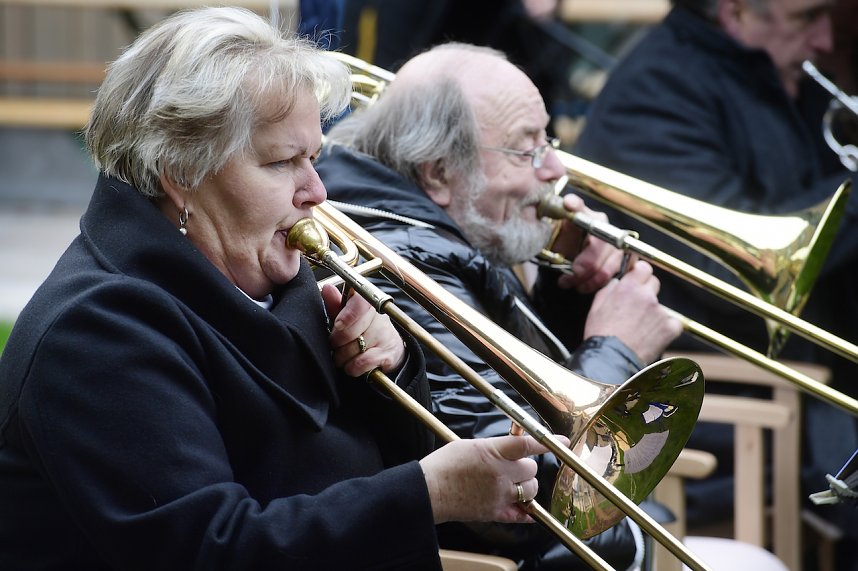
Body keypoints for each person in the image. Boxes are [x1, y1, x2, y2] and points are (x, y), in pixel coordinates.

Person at [0, 8, 567, 570]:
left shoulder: (277, 276)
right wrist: (426, 494)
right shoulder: (97, 333)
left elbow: (365, 469)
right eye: (281, 162)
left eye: (315, 158)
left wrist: (392, 369)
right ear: (183, 173)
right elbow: (208, 549)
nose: (317, 191)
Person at [315, 42, 684, 570]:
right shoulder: (401, 262)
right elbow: (522, 481)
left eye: (547, 139)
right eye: (525, 148)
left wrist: (567, 295)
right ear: (439, 173)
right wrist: (616, 349)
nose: (556, 168)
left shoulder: (442, 235)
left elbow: (508, 395)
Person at [573, 0, 858, 564]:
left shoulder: (776, 71)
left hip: (805, 378)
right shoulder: (657, 91)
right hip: (723, 396)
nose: (826, 39)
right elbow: (729, 281)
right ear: (734, 12)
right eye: (806, 17)